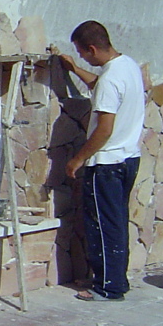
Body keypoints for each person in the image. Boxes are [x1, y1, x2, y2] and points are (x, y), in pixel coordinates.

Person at [52, 21, 144, 302]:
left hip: (107, 165)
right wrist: (74, 70)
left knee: (104, 226)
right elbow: (101, 86)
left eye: (82, 53)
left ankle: (108, 288)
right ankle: (112, 279)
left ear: (92, 48)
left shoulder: (110, 80)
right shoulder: (126, 66)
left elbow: (104, 128)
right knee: (115, 222)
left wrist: (78, 159)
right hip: (128, 158)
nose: (81, 57)